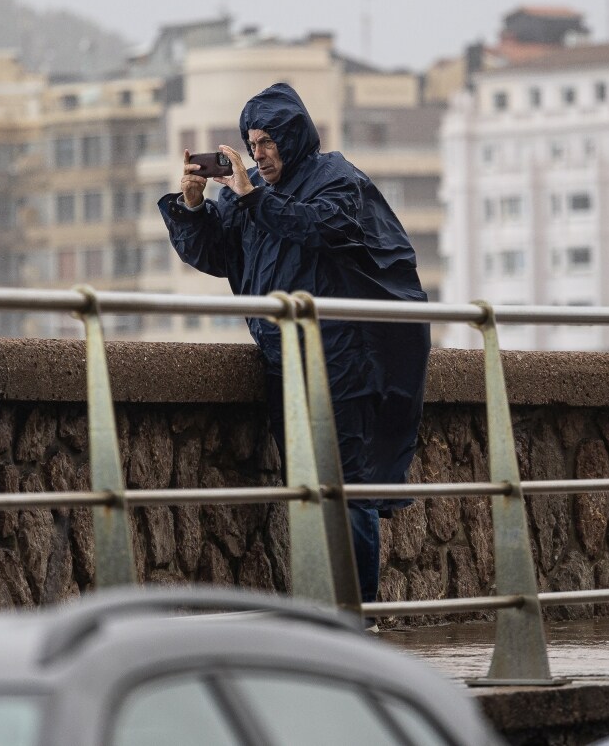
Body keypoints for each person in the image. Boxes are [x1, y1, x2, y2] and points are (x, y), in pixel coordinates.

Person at [159, 82, 431, 606]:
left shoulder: (336, 178)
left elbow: (320, 226)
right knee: (306, 488)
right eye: (251, 144)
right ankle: (323, 610)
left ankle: (356, 613)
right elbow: (219, 255)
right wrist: (192, 208)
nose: (259, 154)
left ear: (292, 137)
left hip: (346, 357)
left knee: (345, 485)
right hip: (284, 357)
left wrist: (252, 196)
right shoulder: (250, 191)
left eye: (267, 143)